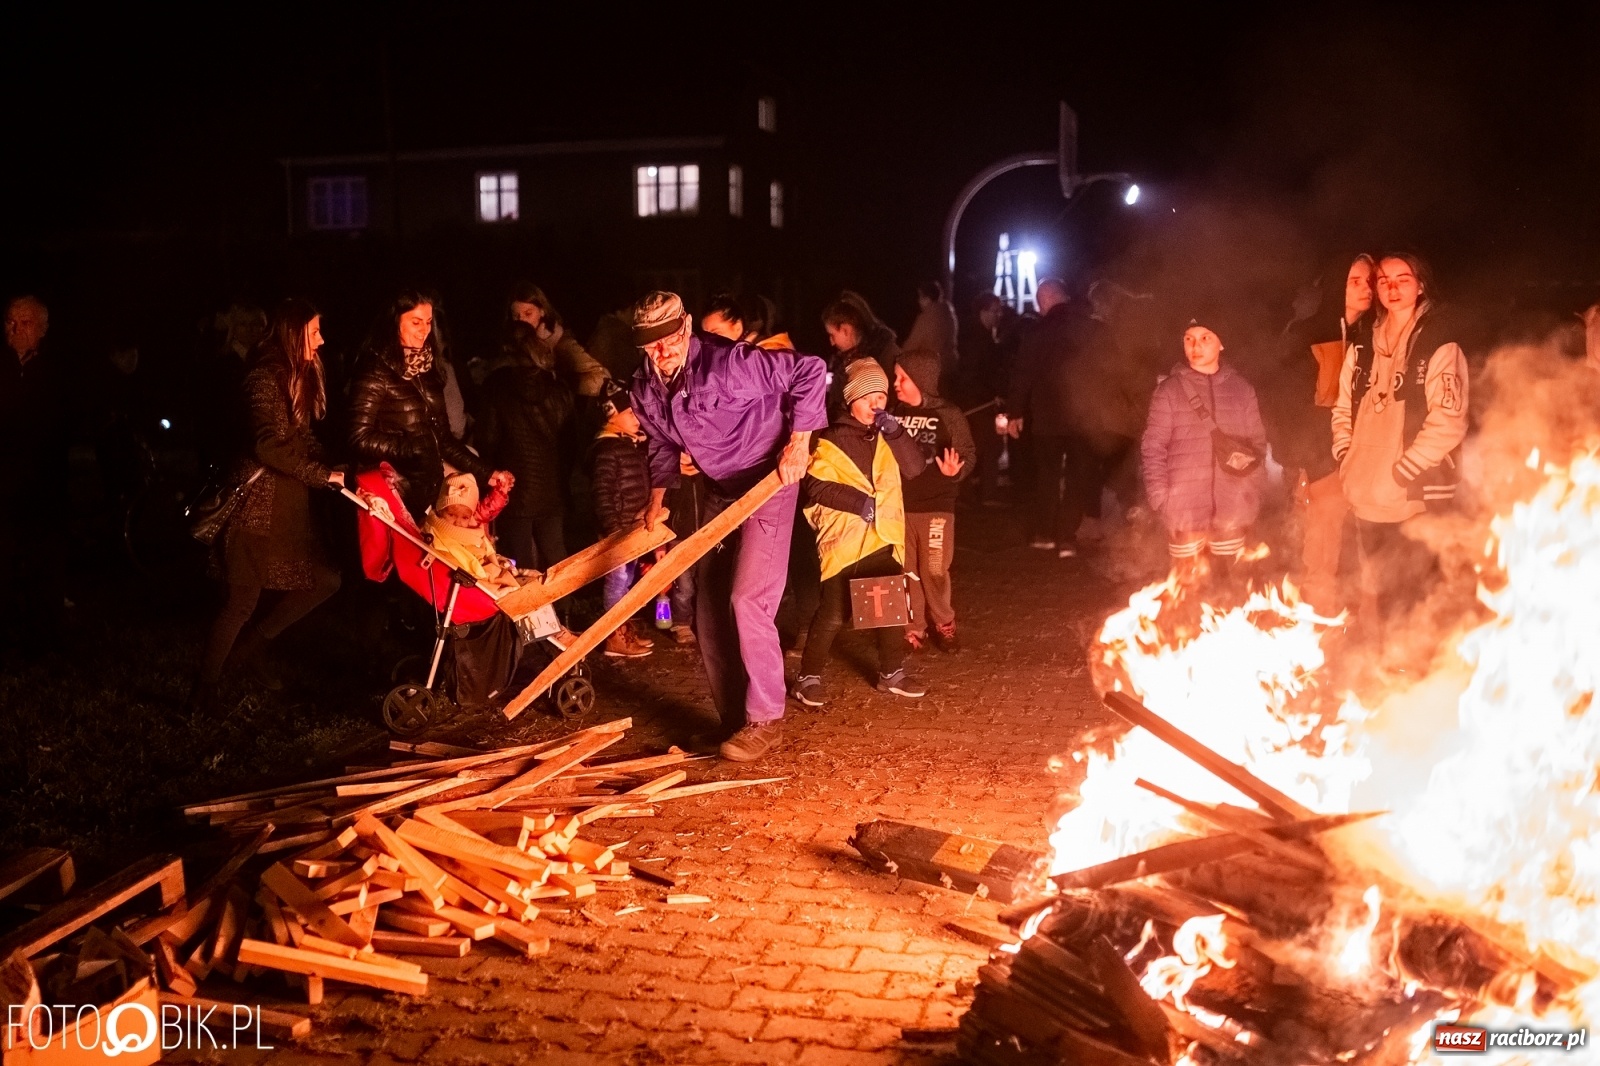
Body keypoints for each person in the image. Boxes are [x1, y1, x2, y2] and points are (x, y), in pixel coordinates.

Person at [630, 291, 827, 763]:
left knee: (748, 597)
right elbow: (659, 440)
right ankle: (733, 721)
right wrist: (658, 496)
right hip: (721, 490)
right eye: (651, 343)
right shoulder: (643, 387)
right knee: (706, 608)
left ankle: (765, 719)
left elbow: (810, 370)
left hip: (769, 481)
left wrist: (798, 442)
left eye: (670, 337)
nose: (663, 350)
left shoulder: (728, 363)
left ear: (687, 326)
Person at [191, 299, 346, 712]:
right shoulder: (263, 378)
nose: (321, 340)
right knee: (241, 601)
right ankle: (204, 690)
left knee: (325, 579)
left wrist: (338, 468)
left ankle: (250, 651)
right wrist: (321, 476)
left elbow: (300, 439)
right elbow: (267, 445)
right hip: (256, 509)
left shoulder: (298, 376)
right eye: (314, 332)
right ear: (293, 333)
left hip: (288, 510)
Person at [1332, 252, 1468, 626]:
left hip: (1413, 497)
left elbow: (1449, 418)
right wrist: (1348, 456)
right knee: (1379, 592)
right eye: (1383, 281)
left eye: (1402, 279)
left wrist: (1403, 472)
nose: (1391, 288)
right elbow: (1342, 407)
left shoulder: (1438, 342)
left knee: (1418, 598)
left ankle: (1417, 675)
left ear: (1420, 284)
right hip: (1364, 495)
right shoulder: (1361, 346)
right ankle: (1386, 675)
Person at [792, 360, 928, 706]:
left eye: (881, 396)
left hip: (883, 536)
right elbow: (815, 485)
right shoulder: (832, 437)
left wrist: (896, 432)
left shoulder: (887, 434)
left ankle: (892, 673)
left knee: (888, 610)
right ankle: (808, 677)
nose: (875, 404)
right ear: (850, 399)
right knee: (834, 613)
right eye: (867, 397)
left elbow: (915, 469)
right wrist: (859, 502)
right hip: (846, 540)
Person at [1267, 254, 1374, 614]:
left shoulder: (1375, 336)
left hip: (1367, 458)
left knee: (1366, 545)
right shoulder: (1306, 336)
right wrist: (1305, 465)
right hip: (1322, 461)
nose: (1365, 289)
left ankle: (1364, 622)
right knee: (1322, 547)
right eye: (1354, 281)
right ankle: (1318, 617)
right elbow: (1285, 406)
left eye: (1369, 281)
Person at [348, 291, 511, 518]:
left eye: (428, 322)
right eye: (416, 322)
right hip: (394, 498)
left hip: (429, 492)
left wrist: (487, 473)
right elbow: (359, 436)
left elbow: (442, 439)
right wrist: (411, 447)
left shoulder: (427, 370)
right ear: (394, 322)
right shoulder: (376, 372)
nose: (424, 330)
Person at [1141, 317, 1269, 582]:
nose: (1195, 346)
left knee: (1230, 591)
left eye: (1205, 338)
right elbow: (1153, 448)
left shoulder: (1242, 390)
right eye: (1189, 339)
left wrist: (1250, 496)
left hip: (1232, 510)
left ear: (1222, 343)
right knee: (1187, 595)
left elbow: (1257, 445)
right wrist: (1162, 499)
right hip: (1183, 510)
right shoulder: (1169, 391)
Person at [891, 350, 975, 652]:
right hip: (901, 508)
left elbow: (968, 452)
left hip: (937, 507)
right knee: (906, 570)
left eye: (903, 377)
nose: (896, 383)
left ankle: (944, 621)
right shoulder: (894, 415)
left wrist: (958, 470)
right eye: (896, 377)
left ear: (922, 380)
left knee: (935, 569)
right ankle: (913, 627)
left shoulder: (948, 413)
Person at [477, 321, 576, 571]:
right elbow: (569, 439)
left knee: (519, 562)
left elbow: (487, 439)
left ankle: (527, 610)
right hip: (551, 485)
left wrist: (489, 476)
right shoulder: (557, 386)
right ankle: (563, 608)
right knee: (556, 556)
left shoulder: (496, 385)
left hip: (513, 487)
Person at [1006, 278, 1093, 556]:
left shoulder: (1037, 332)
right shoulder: (1091, 328)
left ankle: (1044, 533)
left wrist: (1015, 413)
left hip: (1047, 417)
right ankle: (1067, 538)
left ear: (1044, 300)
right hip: (1084, 416)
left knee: (1047, 475)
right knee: (1077, 477)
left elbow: (1023, 374)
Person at [0, 295, 68, 646]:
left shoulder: (55, 370)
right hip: (5, 482)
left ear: (41, 329)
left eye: (24, 322)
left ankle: (46, 630)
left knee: (45, 558)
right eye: (10, 320)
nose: (14, 328)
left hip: (42, 482)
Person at [591, 385, 655, 658]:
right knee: (617, 582)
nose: (636, 417)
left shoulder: (630, 445)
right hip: (617, 532)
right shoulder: (606, 450)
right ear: (611, 415)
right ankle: (613, 637)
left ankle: (623, 630)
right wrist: (614, 531)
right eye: (629, 412)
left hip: (631, 530)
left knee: (625, 582)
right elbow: (602, 494)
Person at [508, 281, 611, 397]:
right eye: (516, 316)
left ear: (542, 311)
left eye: (528, 314)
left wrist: (560, 383)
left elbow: (601, 379)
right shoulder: (512, 350)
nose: (522, 321)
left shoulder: (560, 344)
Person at [954, 292, 1009, 506]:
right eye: (995, 310)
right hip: (977, 404)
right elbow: (972, 374)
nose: (999, 314)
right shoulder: (977, 340)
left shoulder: (980, 337)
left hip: (978, 401)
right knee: (985, 448)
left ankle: (972, 493)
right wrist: (990, 394)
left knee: (982, 448)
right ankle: (982, 494)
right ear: (983, 312)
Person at [903, 280, 960, 378]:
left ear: (927, 298)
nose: (919, 301)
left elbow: (912, 344)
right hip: (950, 367)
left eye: (920, 297)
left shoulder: (927, 317)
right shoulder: (950, 315)